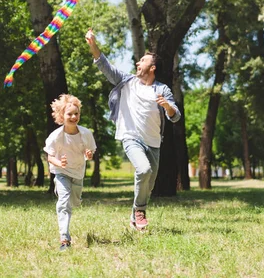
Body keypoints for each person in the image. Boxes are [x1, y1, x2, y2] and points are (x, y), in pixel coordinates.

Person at [85, 29, 181, 231]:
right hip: (131, 137)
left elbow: (176, 116)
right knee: (143, 169)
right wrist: (93, 45)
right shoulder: (126, 82)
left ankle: (133, 216)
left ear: (152, 67)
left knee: (149, 184)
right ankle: (140, 211)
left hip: (153, 142)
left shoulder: (162, 89)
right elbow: (105, 66)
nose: (138, 63)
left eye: (143, 61)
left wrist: (168, 107)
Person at [43, 94, 96, 251]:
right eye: (69, 114)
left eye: (76, 113)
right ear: (61, 116)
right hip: (61, 172)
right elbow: (50, 157)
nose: (73, 117)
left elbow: (90, 152)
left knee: (75, 202)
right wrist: (60, 163)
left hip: (78, 173)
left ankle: (66, 194)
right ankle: (64, 239)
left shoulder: (86, 134)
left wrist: (88, 155)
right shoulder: (56, 136)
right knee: (64, 203)